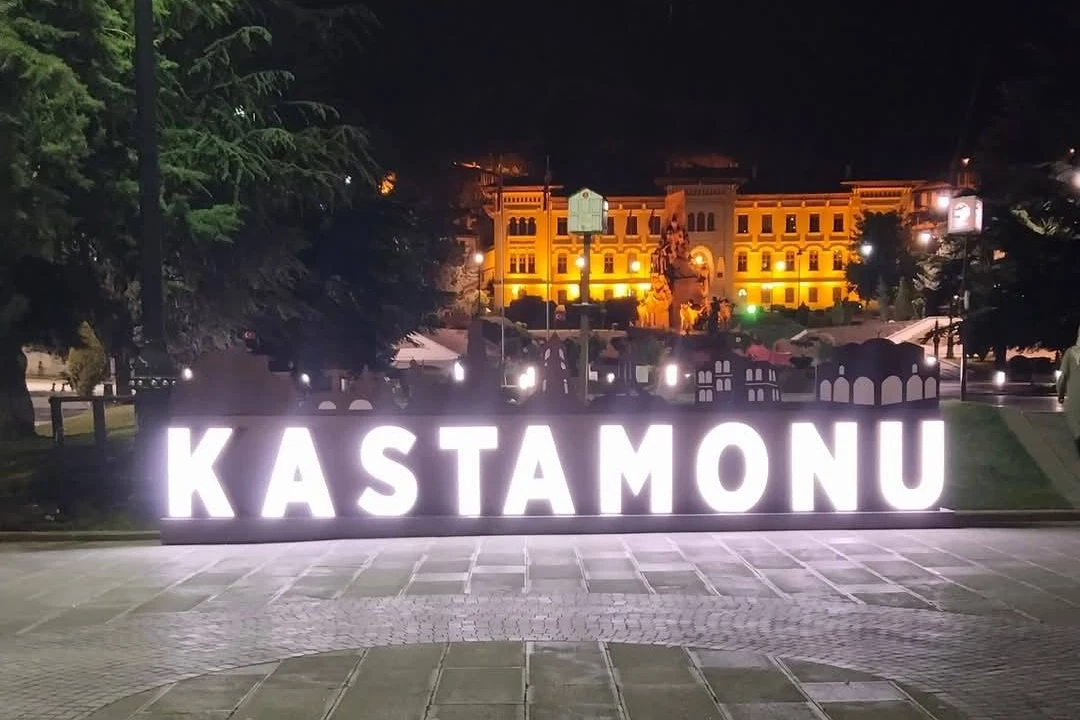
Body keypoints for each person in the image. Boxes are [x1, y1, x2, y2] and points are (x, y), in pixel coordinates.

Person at [1056, 326, 1080, 455]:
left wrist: (1060, 393)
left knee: (1076, 427)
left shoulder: (1070, 353)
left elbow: (1063, 377)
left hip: (1075, 397)